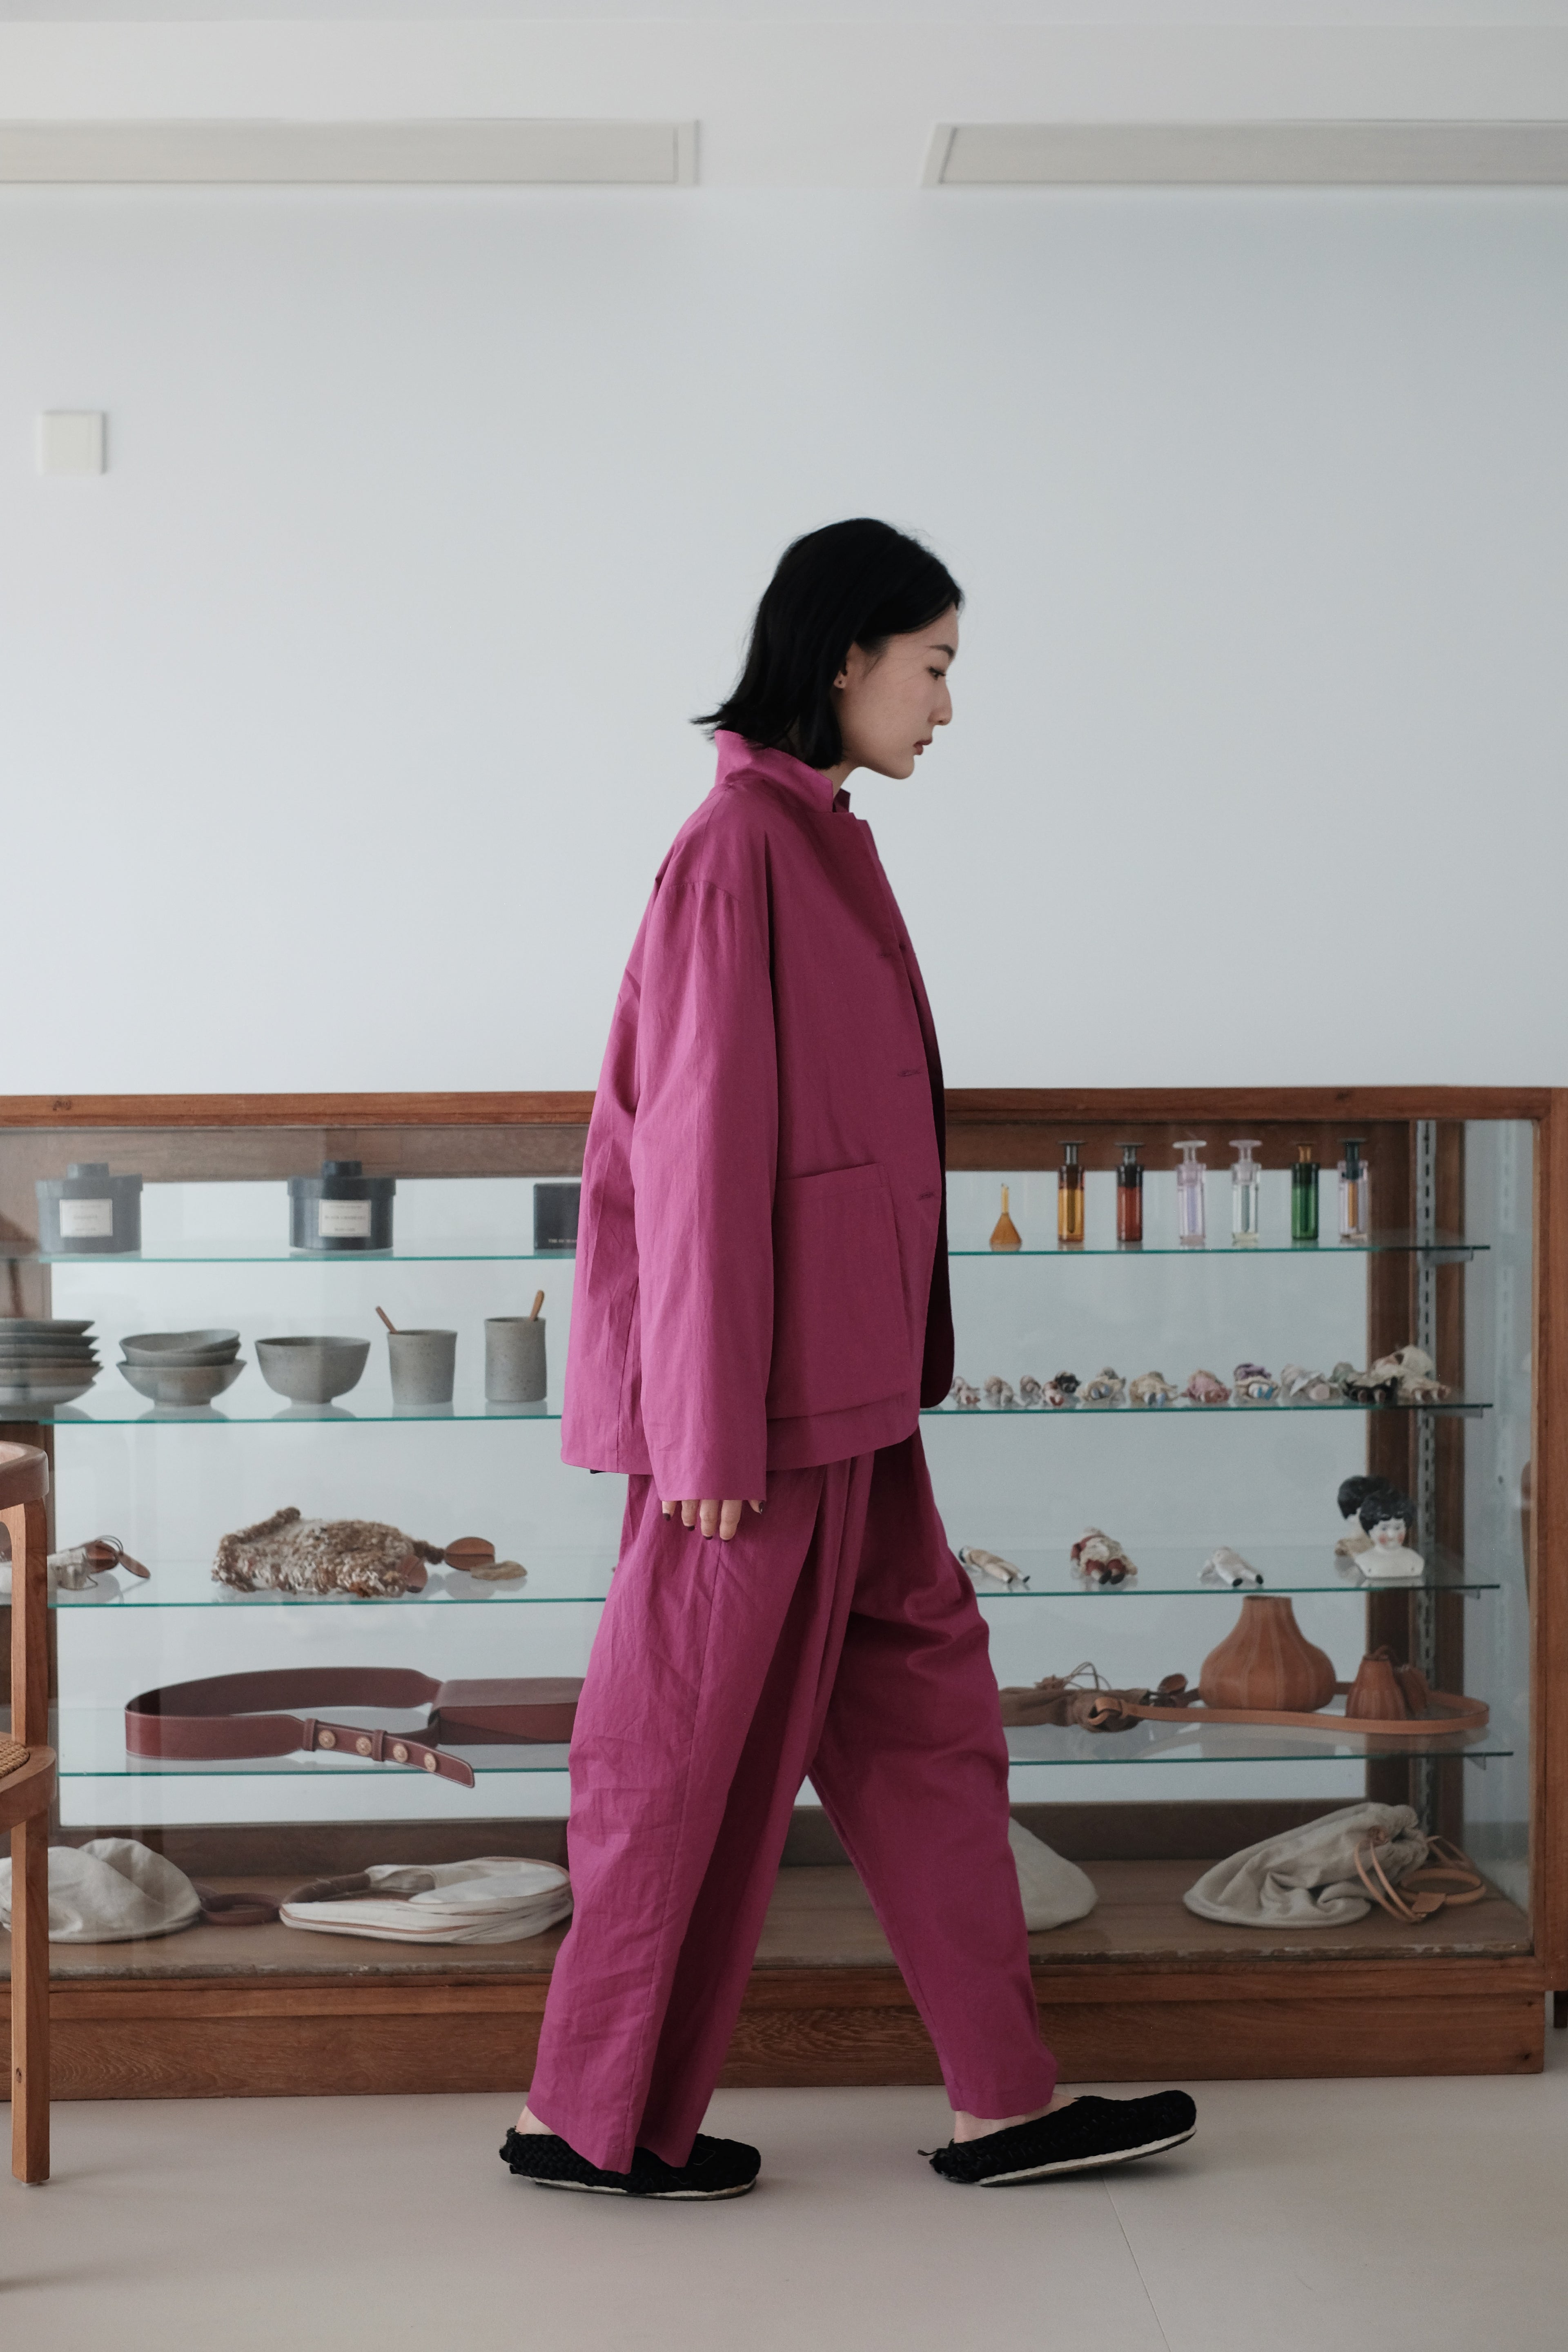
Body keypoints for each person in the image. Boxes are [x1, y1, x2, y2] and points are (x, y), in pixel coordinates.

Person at [501, 518, 1197, 2199]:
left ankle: (1005, 2102)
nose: (949, 704)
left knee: (931, 1724)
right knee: (677, 1752)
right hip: (756, 1416)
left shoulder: (810, 840)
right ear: (846, 656)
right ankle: (583, 2121)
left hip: (849, 1394)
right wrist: (706, 1433)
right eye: (935, 665)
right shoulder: (737, 845)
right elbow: (693, 1157)